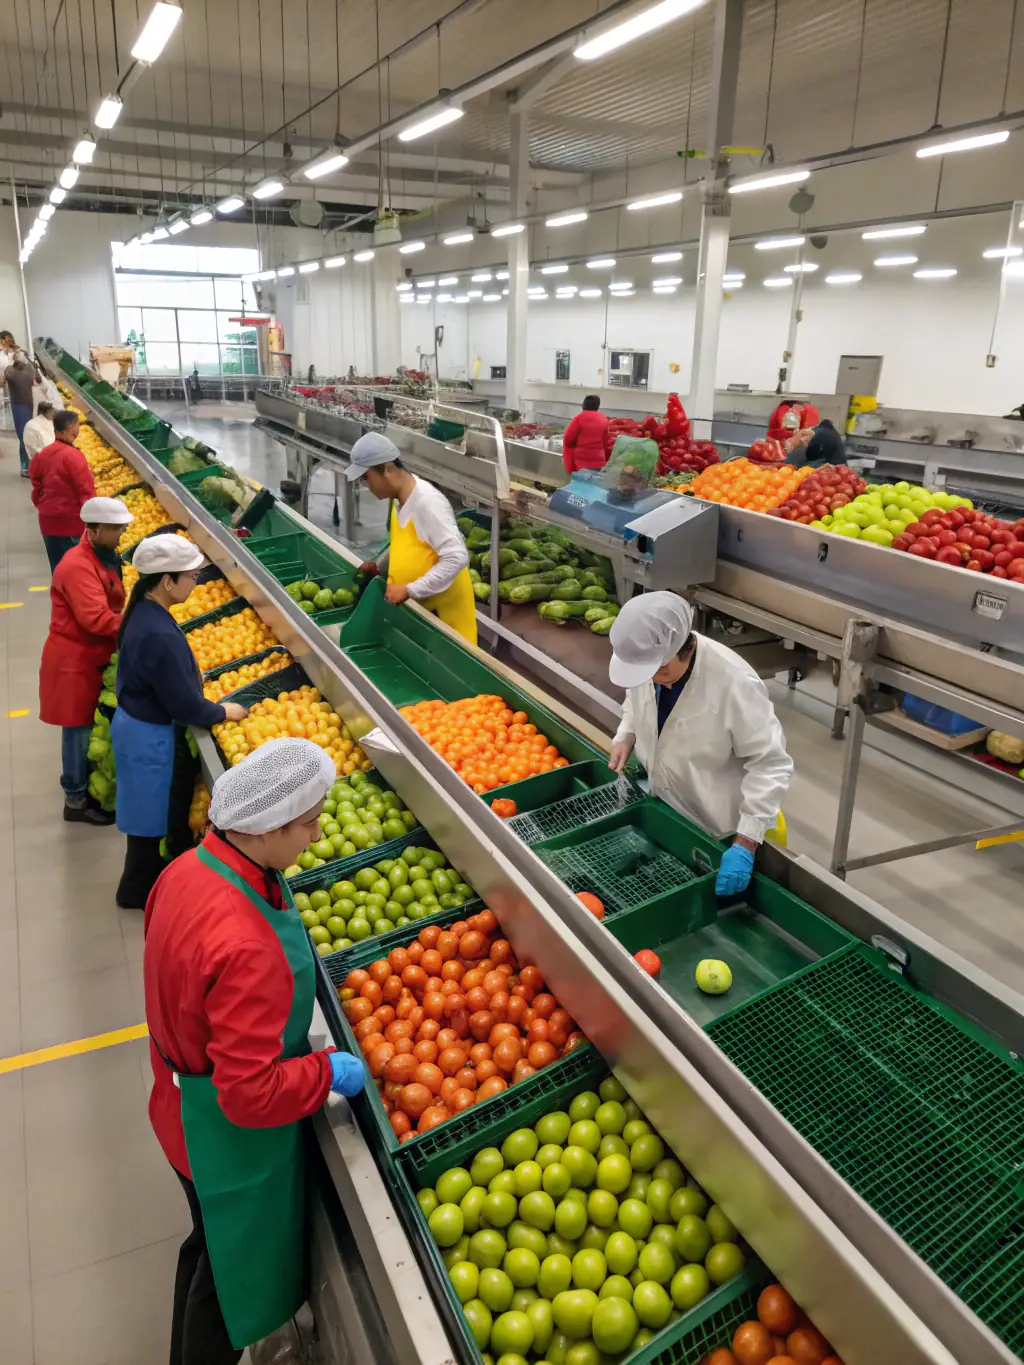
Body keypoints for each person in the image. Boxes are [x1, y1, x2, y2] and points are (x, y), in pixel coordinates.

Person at [143, 738, 367, 1365]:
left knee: (205, 1240)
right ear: (266, 828)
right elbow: (250, 1094)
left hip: (178, 1100)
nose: (317, 836)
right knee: (225, 1278)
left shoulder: (188, 868)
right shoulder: (245, 945)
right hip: (222, 1138)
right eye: (307, 823)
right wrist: (325, 1070)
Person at [608, 592, 793, 896]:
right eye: (646, 672)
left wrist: (746, 844)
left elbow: (771, 764)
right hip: (666, 809)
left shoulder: (734, 683)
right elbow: (635, 697)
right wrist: (627, 733)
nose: (654, 678)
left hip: (717, 831)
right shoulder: (650, 659)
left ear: (689, 646)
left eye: (661, 670)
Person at [113, 534, 248, 909]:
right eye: (191, 575)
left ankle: (144, 880)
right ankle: (137, 892)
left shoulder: (143, 609)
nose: (197, 581)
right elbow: (184, 704)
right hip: (147, 736)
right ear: (167, 581)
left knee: (145, 815)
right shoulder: (157, 631)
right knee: (147, 819)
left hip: (137, 725)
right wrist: (224, 711)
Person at [39, 496, 135, 824]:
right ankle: (75, 799)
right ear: (94, 530)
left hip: (94, 654)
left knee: (85, 726)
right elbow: (96, 618)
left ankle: (81, 788)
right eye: (116, 528)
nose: (122, 533)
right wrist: (142, 618)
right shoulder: (78, 565)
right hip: (74, 660)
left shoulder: (102, 554)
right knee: (77, 727)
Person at [348, 430, 477, 646]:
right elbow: (407, 543)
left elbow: (457, 557)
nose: (367, 487)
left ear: (387, 470)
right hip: (424, 612)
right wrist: (379, 566)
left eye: (367, 478)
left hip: (444, 615)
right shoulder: (399, 498)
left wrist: (410, 589)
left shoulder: (427, 503)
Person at [29, 409, 95, 570]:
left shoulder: (43, 453)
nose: (77, 430)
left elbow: (35, 480)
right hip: (71, 522)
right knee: (74, 570)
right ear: (69, 429)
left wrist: (43, 504)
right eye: (76, 425)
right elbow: (85, 490)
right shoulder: (73, 456)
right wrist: (94, 521)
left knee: (57, 568)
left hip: (48, 521)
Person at [1, 355, 42, 476]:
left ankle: (28, 466)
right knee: (25, 436)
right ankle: (27, 467)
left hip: (23, 406)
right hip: (24, 406)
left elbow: (7, 371)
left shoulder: (16, 373)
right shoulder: (24, 372)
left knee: (26, 436)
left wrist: (9, 359)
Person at [562, 394, 612, 475]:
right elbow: (606, 442)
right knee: (594, 485)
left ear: (584, 405)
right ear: (597, 406)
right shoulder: (604, 419)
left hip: (581, 462)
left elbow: (568, 439)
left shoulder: (578, 419)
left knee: (581, 485)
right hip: (599, 461)